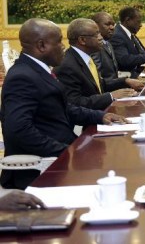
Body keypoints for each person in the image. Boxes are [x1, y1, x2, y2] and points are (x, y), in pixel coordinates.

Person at [0, 18, 127, 189]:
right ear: (42, 45)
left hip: (61, 157)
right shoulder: (22, 77)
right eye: (59, 41)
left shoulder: (38, 70)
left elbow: (63, 108)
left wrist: (101, 116)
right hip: (42, 170)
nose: (63, 46)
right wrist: (66, 151)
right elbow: (19, 130)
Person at [54, 18, 137, 110]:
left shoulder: (85, 57)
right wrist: (111, 96)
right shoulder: (67, 66)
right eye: (96, 34)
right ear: (82, 40)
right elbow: (75, 103)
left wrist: (125, 81)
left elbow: (98, 85)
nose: (101, 37)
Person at [90, 12, 144, 90]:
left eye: (113, 24)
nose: (112, 27)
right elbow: (97, 80)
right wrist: (125, 81)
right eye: (107, 24)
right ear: (95, 26)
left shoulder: (108, 43)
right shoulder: (94, 48)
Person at [109, 7, 145, 78]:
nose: (141, 25)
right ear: (128, 20)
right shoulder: (117, 35)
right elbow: (124, 60)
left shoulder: (130, 33)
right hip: (130, 77)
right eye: (138, 22)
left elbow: (141, 53)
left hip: (140, 72)